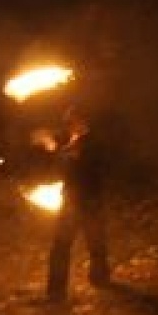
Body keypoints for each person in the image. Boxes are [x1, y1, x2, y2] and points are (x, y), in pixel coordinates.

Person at [47, 107, 110, 302]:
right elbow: (64, 168)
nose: (68, 125)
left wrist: (68, 154)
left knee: (95, 243)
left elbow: (89, 167)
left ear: (83, 122)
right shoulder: (71, 142)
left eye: (72, 121)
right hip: (72, 201)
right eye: (67, 122)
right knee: (61, 246)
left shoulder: (93, 143)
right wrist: (55, 149)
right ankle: (56, 291)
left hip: (88, 200)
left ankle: (100, 278)